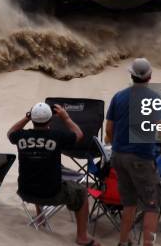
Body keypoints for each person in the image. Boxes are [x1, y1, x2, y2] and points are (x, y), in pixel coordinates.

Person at [7, 102, 100, 246]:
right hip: (51, 194)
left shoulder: (21, 136)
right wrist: (66, 118)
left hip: (25, 192)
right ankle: (82, 237)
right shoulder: (57, 136)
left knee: (38, 172)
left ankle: (39, 217)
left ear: (33, 119)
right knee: (81, 191)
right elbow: (79, 134)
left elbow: (10, 132)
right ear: (50, 120)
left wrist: (26, 117)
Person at [105, 58, 161, 246]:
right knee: (152, 204)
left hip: (119, 157)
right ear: (150, 76)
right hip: (140, 157)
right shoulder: (154, 99)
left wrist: (118, 145)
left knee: (129, 203)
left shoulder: (118, 96)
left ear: (131, 75)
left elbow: (109, 129)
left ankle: (123, 241)